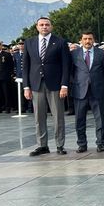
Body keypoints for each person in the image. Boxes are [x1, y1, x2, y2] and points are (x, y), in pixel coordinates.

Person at [23, 17, 71, 155]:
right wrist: (26, 87)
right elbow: (26, 66)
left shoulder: (60, 42)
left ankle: (60, 145)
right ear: (37, 27)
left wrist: (64, 85)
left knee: (58, 117)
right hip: (36, 85)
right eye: (41, 25)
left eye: (47, 25)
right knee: (39, 117)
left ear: (51, 26)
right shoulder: (29, 42)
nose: (44, 27)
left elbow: (66, 66)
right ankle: (42, 145)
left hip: (55, 85)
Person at [70, 31, 104, 152]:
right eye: (85, 39)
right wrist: (76, 83)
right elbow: (71, 72)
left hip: (97, 91)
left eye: (90, 39)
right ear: (80, 40)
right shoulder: (74, 54)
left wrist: (103, 86)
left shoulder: (102, 54)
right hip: (80, 91)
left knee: (100, 119)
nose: (88, 41)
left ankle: (100, 143)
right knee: (80, 119)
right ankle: (82, 144)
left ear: (94, 40)